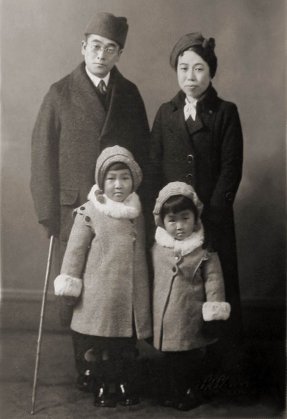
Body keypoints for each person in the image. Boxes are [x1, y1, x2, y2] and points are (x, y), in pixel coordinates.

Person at [30, 12, 150, 388]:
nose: (101, 54)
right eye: (95, 46)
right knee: (78, 282)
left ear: (118, 54)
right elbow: (42, 155)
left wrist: (138, 200)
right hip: (75, 208)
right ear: (83, 47)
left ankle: (121, 357)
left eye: (110, 49)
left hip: (119, 206)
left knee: (117, 281)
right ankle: (84, 363)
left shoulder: (129, 94)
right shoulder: (60, 92)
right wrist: (48, 212)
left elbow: (144, 152)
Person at [149, 32, 243, 342]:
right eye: (184, 68)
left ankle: (220, 361)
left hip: (213, 218)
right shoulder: (166, 113)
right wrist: (165, 214)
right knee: (178, 289)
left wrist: (210, 214)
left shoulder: (226, 112)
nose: (191, 77)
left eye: (199, 68)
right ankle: (178, 354)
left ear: (211, 71)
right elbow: (154, 164)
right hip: (174, 219)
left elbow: (231, 169)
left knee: (217, 284)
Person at [54, 146, 152, 407]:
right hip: (99, 294)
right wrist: (69, 282)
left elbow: (142, 254)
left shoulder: (137, 214)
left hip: (128, 293)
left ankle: (123, 382)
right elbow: (75, 251)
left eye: (124, 178)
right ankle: (102, 386)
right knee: (100, 346)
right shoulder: (90, 212)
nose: (118, 185)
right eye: (111, 179)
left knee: (124, 345)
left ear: (133, 181)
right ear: (101, 182)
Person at [152, 181, 230, 411]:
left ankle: (189, 390)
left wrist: (214, 311)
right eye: (172, 220)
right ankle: (173, 390)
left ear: (196, 219)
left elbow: (214, 282)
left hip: (190, 317)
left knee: (189, 359)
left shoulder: (204, 252)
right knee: (170, 359)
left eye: (185, 218)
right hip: (165, 318)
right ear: (162, 222)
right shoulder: (157, 250)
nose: (179, 226)